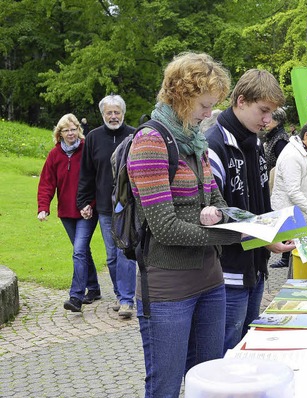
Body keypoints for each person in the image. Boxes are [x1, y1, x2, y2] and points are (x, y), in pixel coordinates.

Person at [127, 52, 243, 398]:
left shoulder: (197, 142)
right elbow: (164, 226)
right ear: (181, 95)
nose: (210, 114)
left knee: (209, 382)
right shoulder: (150, 142)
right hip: (168, 290)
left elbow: (218, 201)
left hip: (211, 280)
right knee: (165, 387)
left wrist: (220, 216)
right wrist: (232, 233)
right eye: (205, 105)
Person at [205, 68, 295, 352]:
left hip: (255, 268)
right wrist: (266, 240)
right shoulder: (214, 145)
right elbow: (214, 218)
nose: (268, 120)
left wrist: (275, 235)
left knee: (247, 347)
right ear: (241, 101)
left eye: (272, 112)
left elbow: (259, 205)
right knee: (226, 352)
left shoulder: (254, 142)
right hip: (227, 274)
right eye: (264, 111)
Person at [76, 94, 137, 319]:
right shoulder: (93, 138)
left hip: (128, 205)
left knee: (126, 252)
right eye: (109, 113)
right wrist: (83, 201)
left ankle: (126, 300)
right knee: (112, 255)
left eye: (117, 112)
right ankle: (120, 293)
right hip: (104, 207)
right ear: (102, 115)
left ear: (123, 113)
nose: (113, 116)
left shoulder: (134, 135)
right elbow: (86, 173)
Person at [38, 113, 100, 312]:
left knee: (79, 251)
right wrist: (43, 208)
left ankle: (76, 297)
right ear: (60, 133)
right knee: (81, 251)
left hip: (87, 211)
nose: (71, 133)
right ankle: (95, 288)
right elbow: (47, 183)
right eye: (67, 130)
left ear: (78, 131)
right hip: (66, 212)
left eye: (74, 129)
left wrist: (91, 204)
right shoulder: (54, 155)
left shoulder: (86, 150)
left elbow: (96, 179)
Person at [271, 119, 307, 223]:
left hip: (300, 215)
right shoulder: (291, 156)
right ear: (306, 135)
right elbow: (293, 192)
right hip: (288, 217)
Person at [263, 107, 289, 174]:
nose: (265, 121)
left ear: (278, 121)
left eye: (269, 119)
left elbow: (285, 166)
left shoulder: (280, 140)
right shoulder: (273, 137)